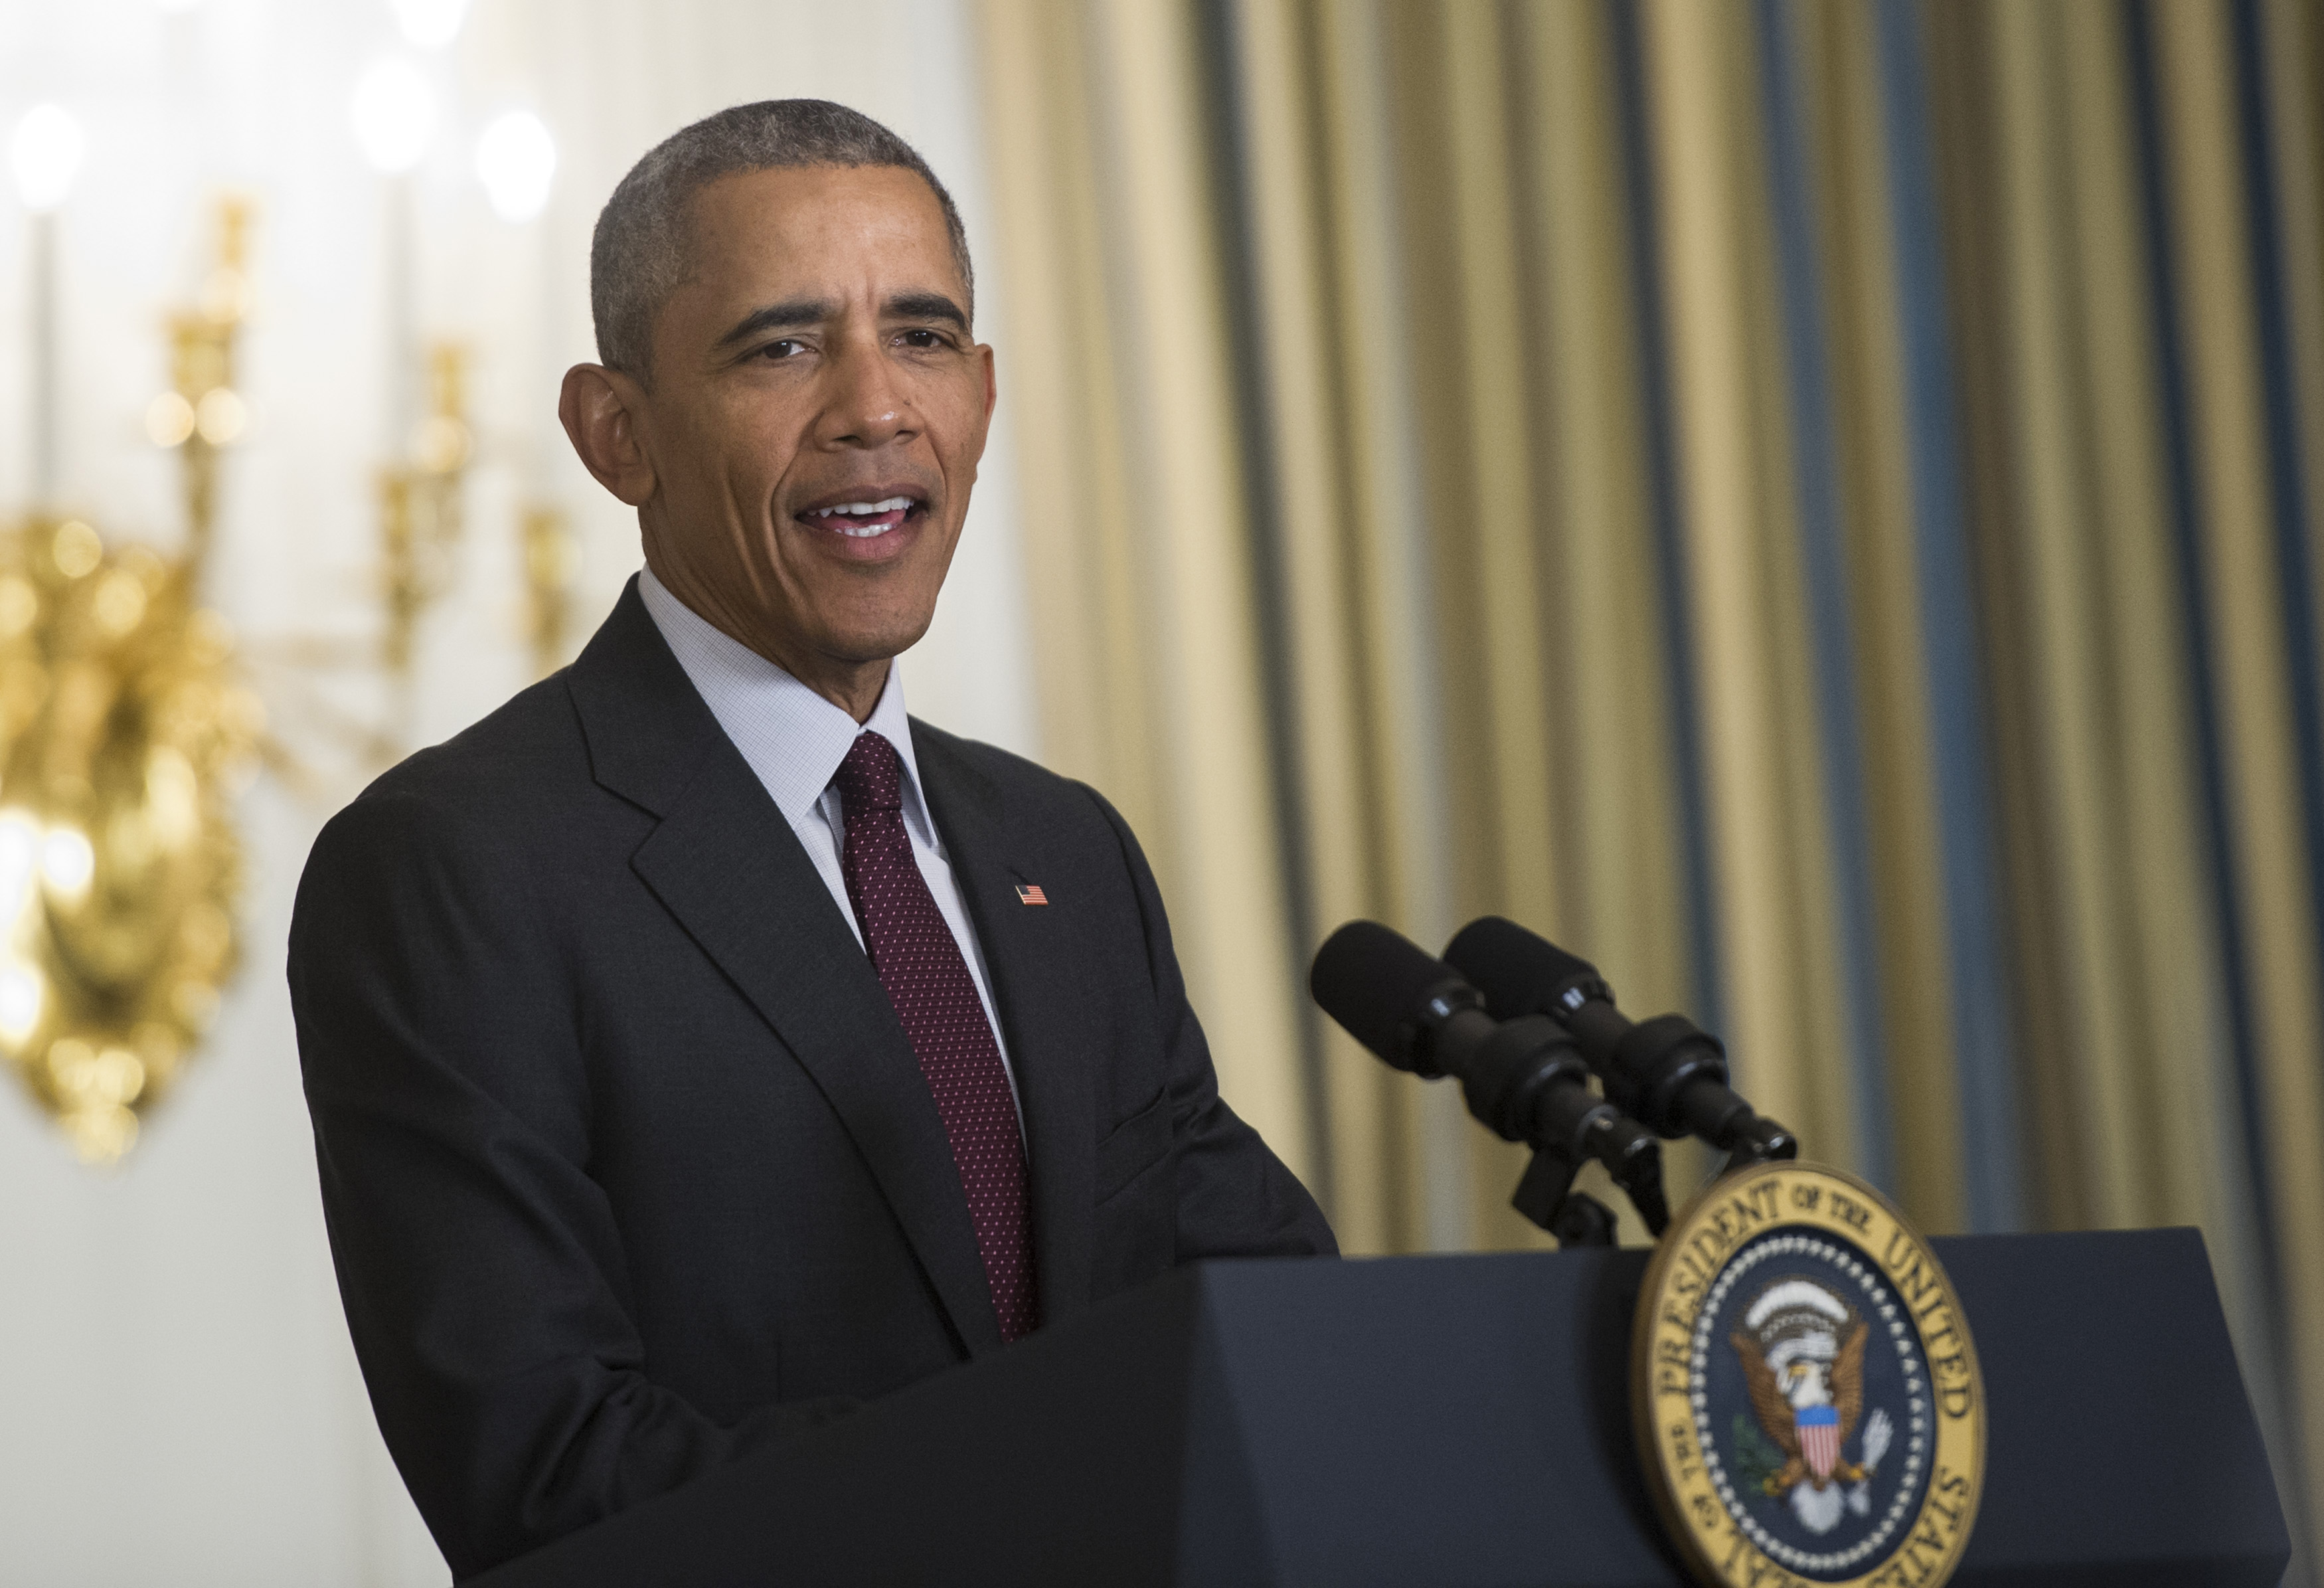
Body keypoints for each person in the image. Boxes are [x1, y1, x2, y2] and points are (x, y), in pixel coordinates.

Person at [288, 99, 1334, 1579]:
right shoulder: (454, 870)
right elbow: (546, 1470)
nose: (873, 406)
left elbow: (1269, 1314)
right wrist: (1073, 1493)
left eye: (921, 337)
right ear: (618, 433)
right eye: (782, 346)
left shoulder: (1064, 849)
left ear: (980, 392)